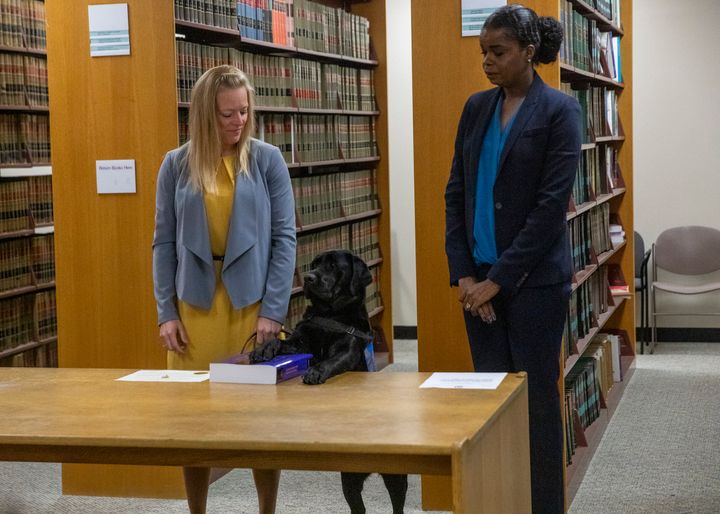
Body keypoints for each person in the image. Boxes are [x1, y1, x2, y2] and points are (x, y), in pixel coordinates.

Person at [444, 5, 581, 514]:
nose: (487, 62)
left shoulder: (560, 111)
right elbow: (456, 192)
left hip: (534, 288)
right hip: (475, 286)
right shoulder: (475, 108)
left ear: (528, 51)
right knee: (488, 412)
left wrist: (497, 282)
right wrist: (464, 274)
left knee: (535, 412)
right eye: (483, 53)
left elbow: (550, 210)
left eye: (497, 53)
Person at [153, 65, 296, 514]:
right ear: (202, 115)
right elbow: (162, 241)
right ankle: (197, 508)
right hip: (193, 306)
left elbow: (284, 237)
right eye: (226, 114)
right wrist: (165, 311)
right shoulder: (175, 164)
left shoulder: (267, 159)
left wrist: (274, 309)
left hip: (251, 306)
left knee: (259, 423)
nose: (238, 121)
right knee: (192, 425)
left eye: (244, 111)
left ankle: (266, 509)